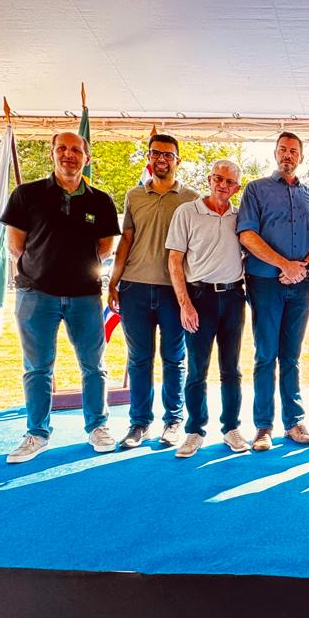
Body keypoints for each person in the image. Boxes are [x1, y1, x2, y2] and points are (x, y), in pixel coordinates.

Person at [0, 130, 120, 463]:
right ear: (52, 153)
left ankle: (97, 426)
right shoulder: (26, 195)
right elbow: (16, 246)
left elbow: (105, 247)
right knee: (37, 368)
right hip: (36, 296)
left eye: (76, 150)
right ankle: (37, 434)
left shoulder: (101, 201)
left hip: (85, 297)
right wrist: (43, 270)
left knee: (93, 366)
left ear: (86, 157)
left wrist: (74, 269)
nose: (69, 154)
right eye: (62, 149)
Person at [236, 131, 309, 451]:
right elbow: (247, 235)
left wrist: (302, 267)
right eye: (283, 150)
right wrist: (284, 265)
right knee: (265, 355)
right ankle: (263, 427)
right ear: (275, 154)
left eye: (293, 151)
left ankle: (294, 422)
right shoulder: (256, 189)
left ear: (301, 157)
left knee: (291, 356)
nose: (288, 155)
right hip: (264, 283)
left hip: (301, 285)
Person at [107, 133, 197, 449]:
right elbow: (126, 240)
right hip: (134, 288)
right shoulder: (134, 195)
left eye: (168, 154)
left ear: (177, 160)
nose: (162, 159)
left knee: (174, 358)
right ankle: (140, 423)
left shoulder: (191, 198)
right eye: (156, 153)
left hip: (174, 290)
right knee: (139, 360)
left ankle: (173, 421)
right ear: (149, 157)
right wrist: (113, 281)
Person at [166, 159, 250, 458]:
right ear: (209, 179)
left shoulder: (240, 217)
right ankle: (194, 430)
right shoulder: (187, 212)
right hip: (199, 298)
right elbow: (174, 260)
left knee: (232, 370)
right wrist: (185, 304)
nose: (222, 185)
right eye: (218, 178)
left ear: (236, 188)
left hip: (233, 298)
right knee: (197, 370)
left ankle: (231, 428)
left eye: (229, 182)